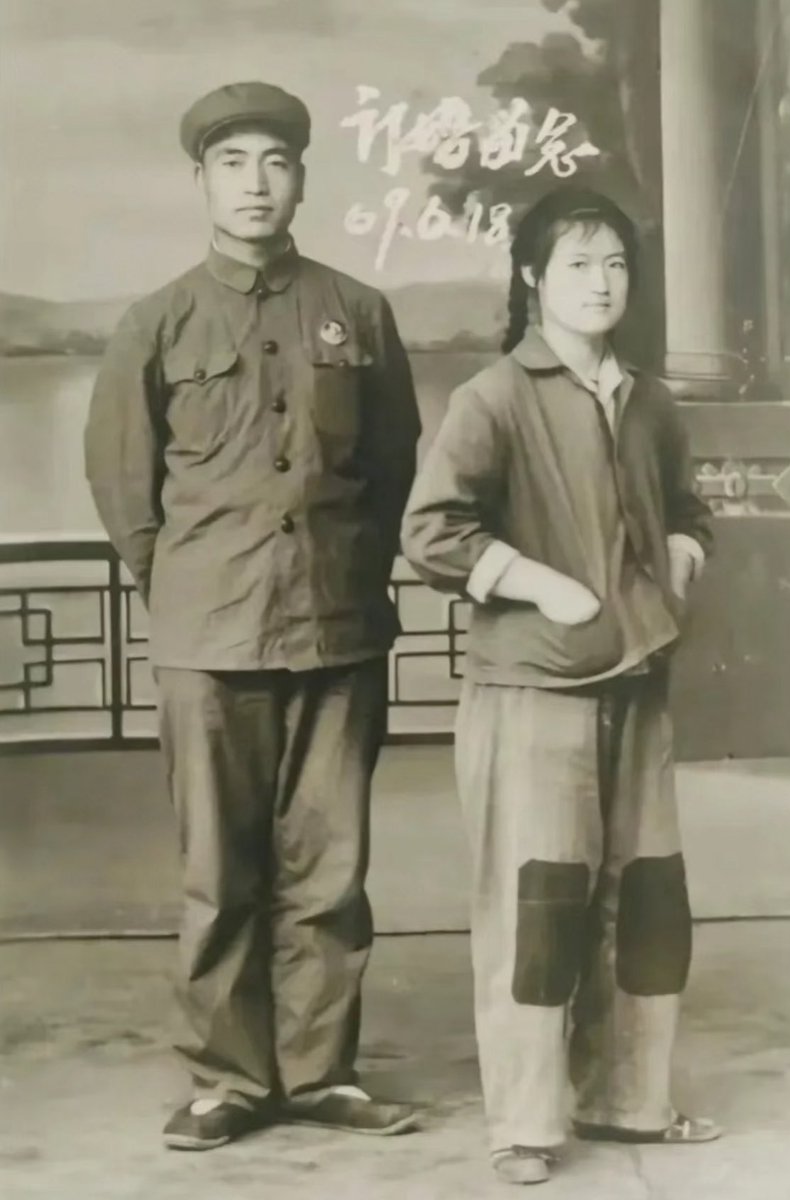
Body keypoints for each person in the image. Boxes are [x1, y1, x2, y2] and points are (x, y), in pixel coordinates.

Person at [84, 81, 421, 1150]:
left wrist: (345, 575)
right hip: (208, 637)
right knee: (219, 874)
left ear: (302, 179)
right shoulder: (159, 321)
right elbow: (125, 491)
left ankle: (320, 1072)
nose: (256, 183)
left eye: (275, 161)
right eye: (233, 163)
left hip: (335, 628)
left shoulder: (357, 312)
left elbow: (393, 464)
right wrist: (190, 587)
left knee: (328, 871)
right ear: (202, 182)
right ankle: (230, 1078)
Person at [401, 186, 719, 1186]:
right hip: (530, 693)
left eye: (615, 265)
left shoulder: (650, 399)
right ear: (532, 278)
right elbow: (430, 532)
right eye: (577, 264)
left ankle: (630, 1100)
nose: (600, 283)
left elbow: (687, 510)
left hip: (637, 692)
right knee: (536, 910)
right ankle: (526, 1125)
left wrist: (676, 554)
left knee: (650, 902)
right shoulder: (492, 397)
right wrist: (542, 585)